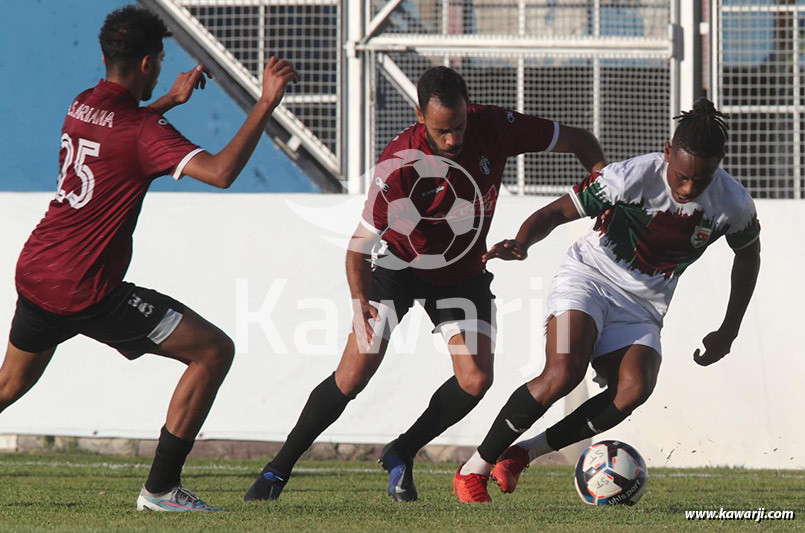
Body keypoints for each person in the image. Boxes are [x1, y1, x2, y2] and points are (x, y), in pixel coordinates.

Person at [244, 66, 607, 502]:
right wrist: (360, 303)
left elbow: (581, 140)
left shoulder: (495, 126)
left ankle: (402, 450)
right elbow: (357, 248)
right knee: (354, 372)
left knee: (475, 379)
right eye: (442, 131)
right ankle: (276, 470)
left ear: (469, 109)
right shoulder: (398, 164)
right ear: (419, 116)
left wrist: (606, 193)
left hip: (462, 272)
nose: (453, 139)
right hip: (398, 267)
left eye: (459, 127)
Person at [0, 5, 297, 512]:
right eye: (159, 60)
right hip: (86, 287)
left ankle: (163, 490)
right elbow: (221, 172)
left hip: (38, 270)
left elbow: (123, 132)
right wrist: (265, 104)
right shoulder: (141, 130)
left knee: (8, 384)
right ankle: (161, 491)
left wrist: (169, 101)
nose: (161, 68)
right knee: (212, 352)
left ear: (104, 56)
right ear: (146, 63)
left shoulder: (83, 103)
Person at [452, 98, 761, 503]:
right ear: (667, 153)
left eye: (699, 181)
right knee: (563, 372)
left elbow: (749, 256)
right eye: (681, 176)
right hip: (588, 279)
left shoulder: (733, 203)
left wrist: (729, 330)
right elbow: (557, 212)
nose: (688, 189)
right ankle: (474, 469)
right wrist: (522, 243)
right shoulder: (630, 177)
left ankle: (524, 452)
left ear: (718, 165)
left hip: (644, 308)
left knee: (634, 388)